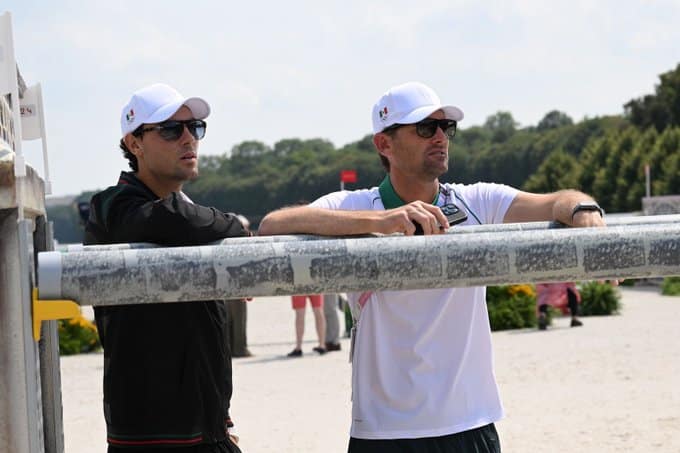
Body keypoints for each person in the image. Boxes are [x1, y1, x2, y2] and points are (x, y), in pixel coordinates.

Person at [258, 81, 607, 452]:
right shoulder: (355, 205)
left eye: (446, 127)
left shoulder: (478, 200)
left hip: (468, 421)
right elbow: (273, 225)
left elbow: (559, 199)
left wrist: (584, 211)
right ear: (384, 144)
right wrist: (379, 222)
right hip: (382, 431)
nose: (440, 137)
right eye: (425, 128)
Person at [85, 83, 247, 453]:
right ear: (134, 143)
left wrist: (218, 421)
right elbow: (173, 220)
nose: (188, 138)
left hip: (205, 427)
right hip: (151, 436)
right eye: (171, 129)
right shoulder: (114, 206)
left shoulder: (184, 209)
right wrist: (236, 224)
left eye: (196, 128)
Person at [226, 215, 253, 358]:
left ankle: (231, 348)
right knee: (239, 320)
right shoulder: (241, 244)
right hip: (238, 287)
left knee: (230, 319)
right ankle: (240, 349)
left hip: (227, 288)